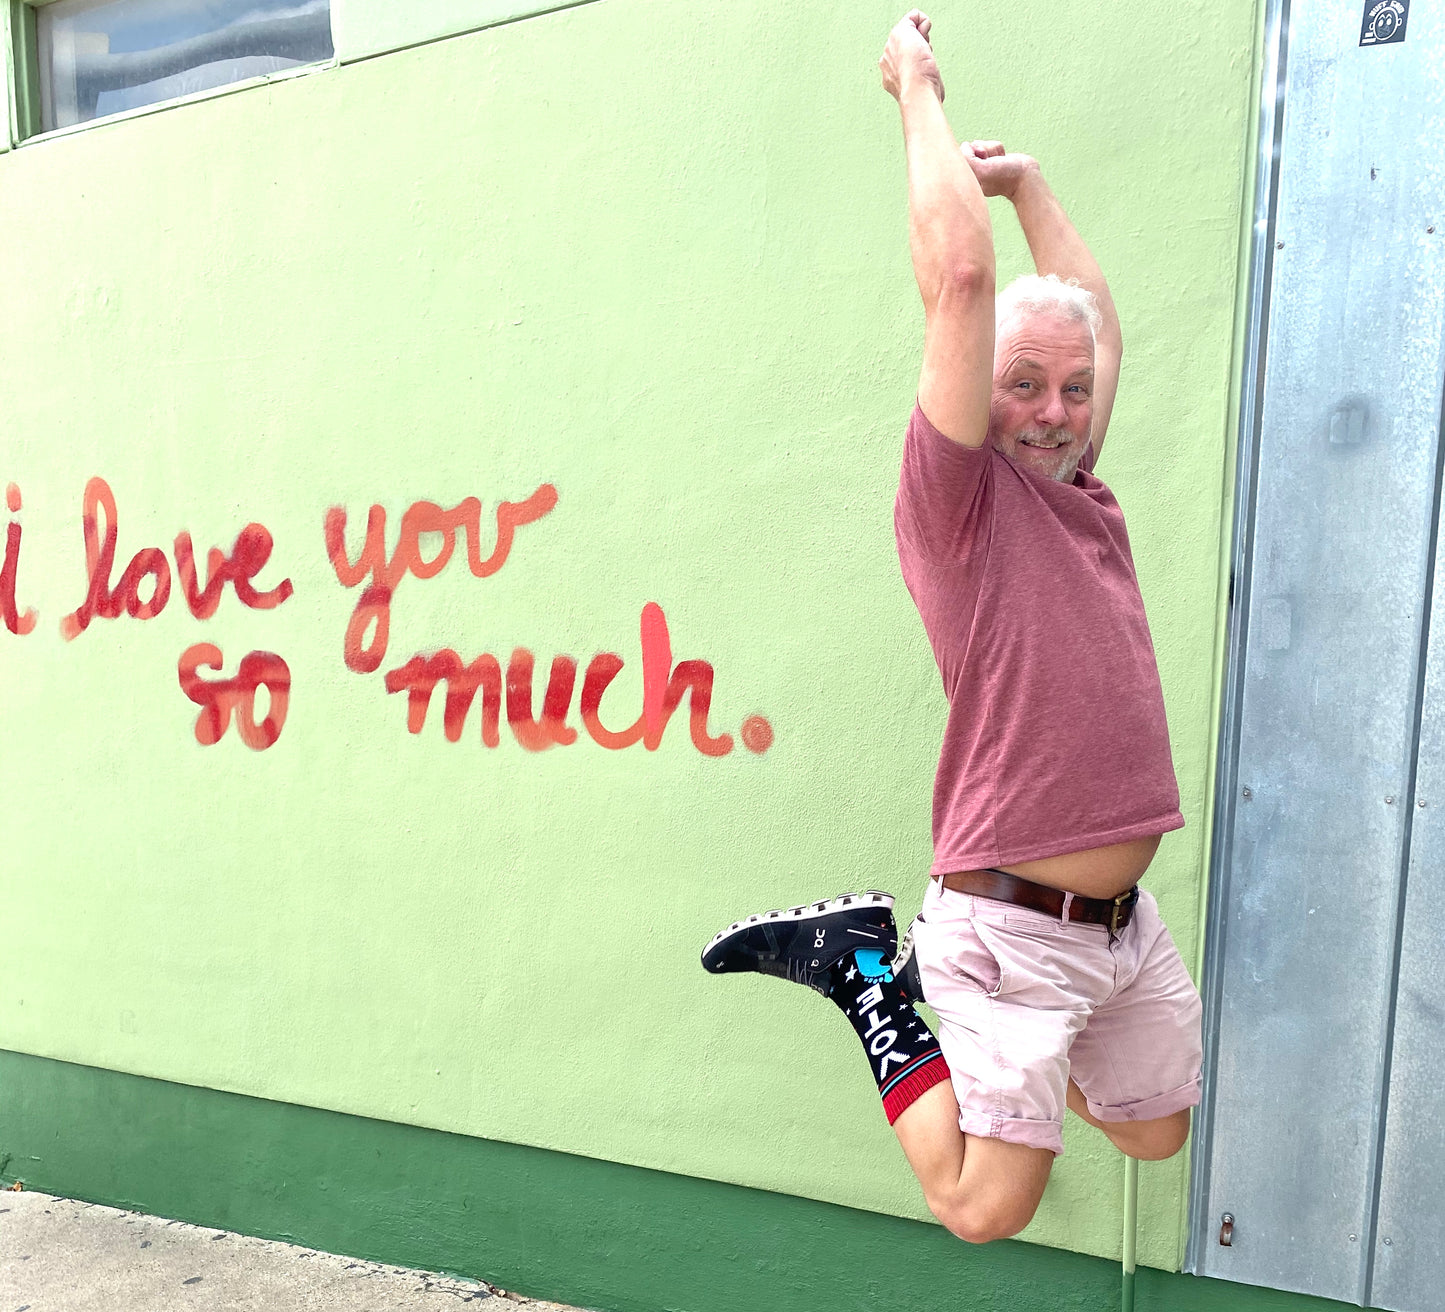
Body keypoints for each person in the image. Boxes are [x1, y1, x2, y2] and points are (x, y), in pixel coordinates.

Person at [701, 10, 1203, 1244]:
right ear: (974, 389)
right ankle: (869, 973)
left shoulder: (1080, 491)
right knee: (981, 1206)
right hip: (1008, 920)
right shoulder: (959, 503)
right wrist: (915, 89)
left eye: (1069, 390)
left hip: (1116, 932)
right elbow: (963, 282)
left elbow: (1090, 318)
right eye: (1020, 383)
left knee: (1152, 1129)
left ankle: (973, 1014)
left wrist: (1027, 183)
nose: (1052, 409)